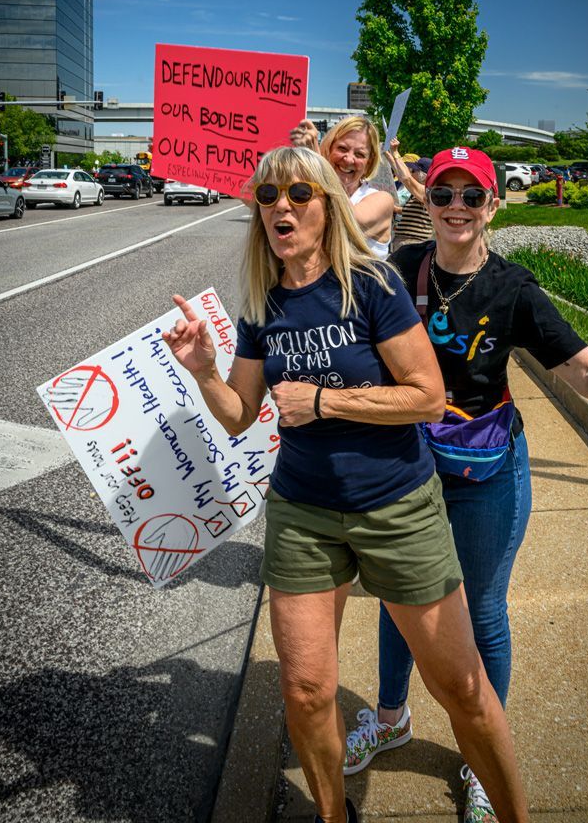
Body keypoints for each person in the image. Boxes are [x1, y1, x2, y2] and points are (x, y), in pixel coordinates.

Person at [163, 144, 530, 823]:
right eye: (268, 196)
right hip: (304, 511)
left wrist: (326, 403)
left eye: (299, 194)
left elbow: (427, 397)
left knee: (461, 688)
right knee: (304, 691)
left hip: (395, 506)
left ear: (328, 203)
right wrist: (205, 371)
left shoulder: (373, 285)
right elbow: (242, 414)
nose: (281, 207)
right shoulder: (260, 302)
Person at [344, 145, 588, 823]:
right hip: (408, 470)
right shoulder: (398, 270)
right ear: (426, 204)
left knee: (483, 610)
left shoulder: (514, 288)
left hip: (486, 473)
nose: (457, 208)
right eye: (443, 195)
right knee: (398, 596)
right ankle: (390, 718)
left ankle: (478, 757)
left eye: (472, 195)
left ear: (493, 204)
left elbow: (587, 375)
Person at [319, 115, 394, 259]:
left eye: (359, 154)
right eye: (342, 148)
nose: (348, 159)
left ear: (369, 163)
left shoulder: (382, 199)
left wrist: (319, 165)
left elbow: (347, 223)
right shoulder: (313, 193)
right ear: (329, 149)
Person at [385, 144, 434, 249]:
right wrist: (389, 157)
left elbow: (406, 178)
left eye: (414, 171)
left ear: (423, 175)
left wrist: (395, 153)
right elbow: (402, 177)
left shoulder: (427, 192)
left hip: (413, 242)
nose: (411, 173)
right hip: (407, 241)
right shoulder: (419, 193)